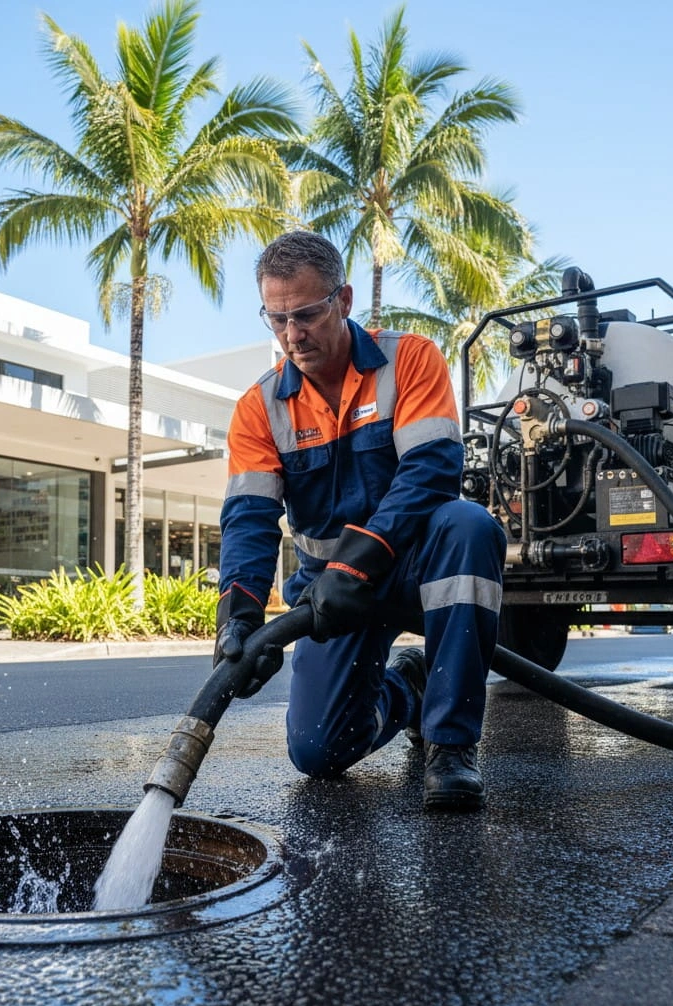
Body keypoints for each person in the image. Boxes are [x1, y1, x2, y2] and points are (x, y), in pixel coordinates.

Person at [214, 230, 506, 810]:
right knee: (318, 753)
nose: (292, 336)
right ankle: (411, 686)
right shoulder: (260, 407)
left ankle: (450, 747)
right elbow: (249, 517)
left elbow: (430, 471)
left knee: (469, 525)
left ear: (344, 301)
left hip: (413, 569)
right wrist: (239, 615)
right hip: (329, 594)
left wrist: (362, 560)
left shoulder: (409, 359)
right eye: (276, 319)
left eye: (306, 314)